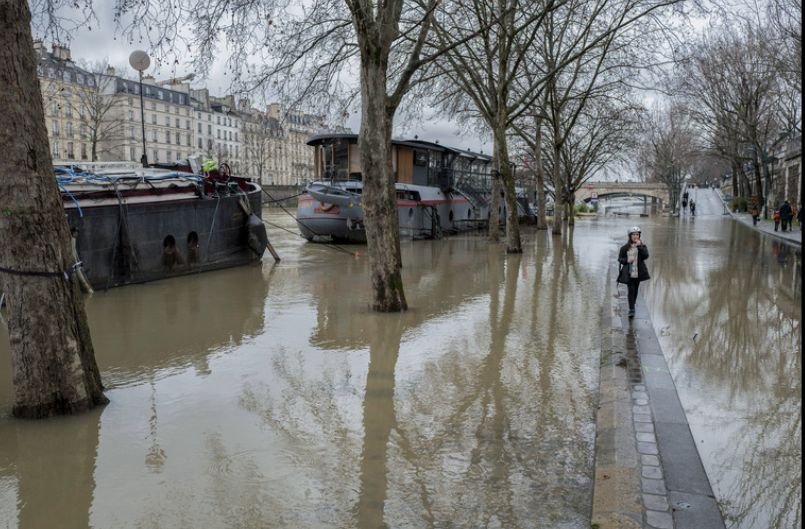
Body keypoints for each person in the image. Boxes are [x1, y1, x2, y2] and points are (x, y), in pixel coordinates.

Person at [617, 226, 650, 319]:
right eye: (633, 235)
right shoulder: (624, 248)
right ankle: (631, 309)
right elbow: (620, 259)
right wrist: (627, 260)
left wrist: (639, 246)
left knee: (635, 290)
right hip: (629, 272)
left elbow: (645, 256)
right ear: (630, 236)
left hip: (639, 272)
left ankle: (633, 303)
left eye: (637, 234)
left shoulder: (642, 246)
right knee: (631, 290)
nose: (635, 236)